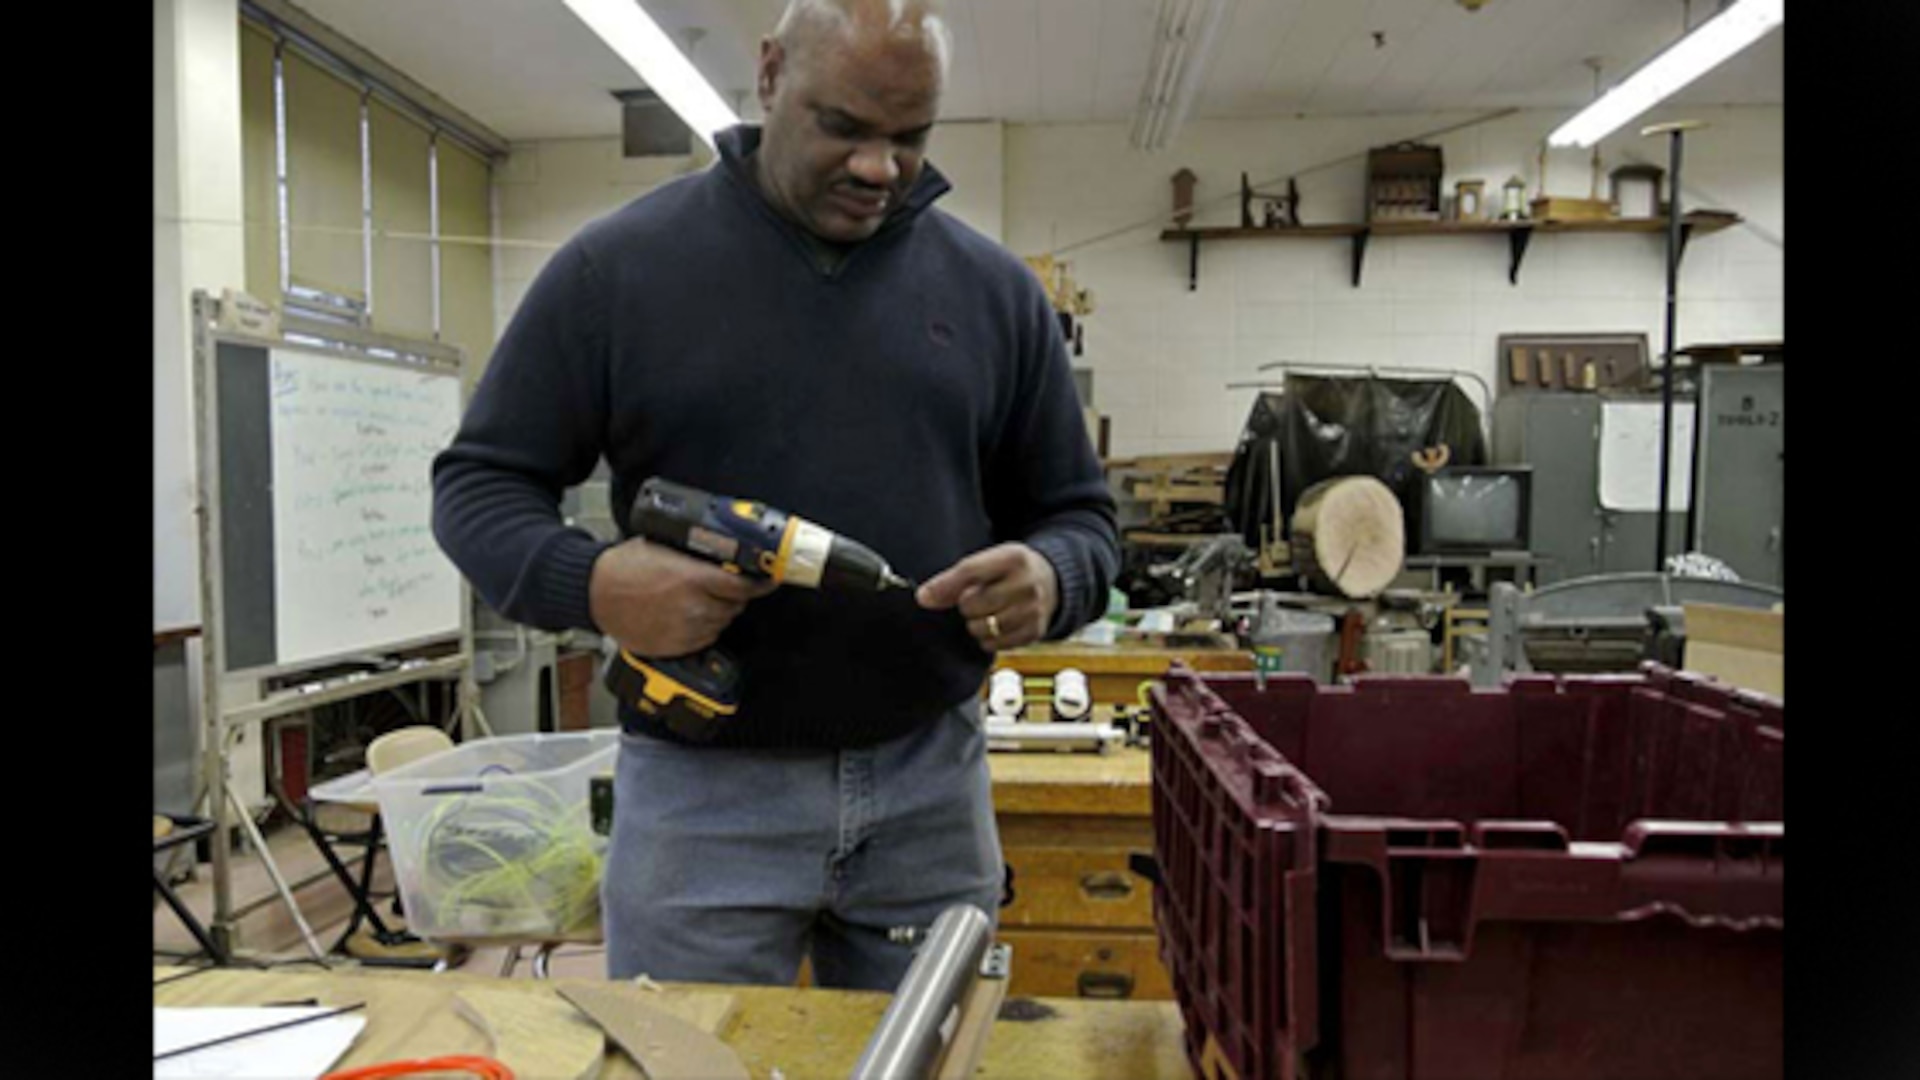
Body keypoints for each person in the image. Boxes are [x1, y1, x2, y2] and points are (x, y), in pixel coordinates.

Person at [431, 0, 1117, 992]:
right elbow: (478, 484)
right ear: (767, 77)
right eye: (844, 126)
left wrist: (1054, 575)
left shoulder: (996, 295)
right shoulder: (616, 272)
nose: (879, 168)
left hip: (931, 784)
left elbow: (1084, 519)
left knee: (929, 1062)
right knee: (686, 1065)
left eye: (910, 138)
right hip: (700, 796)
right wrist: (593, 586)